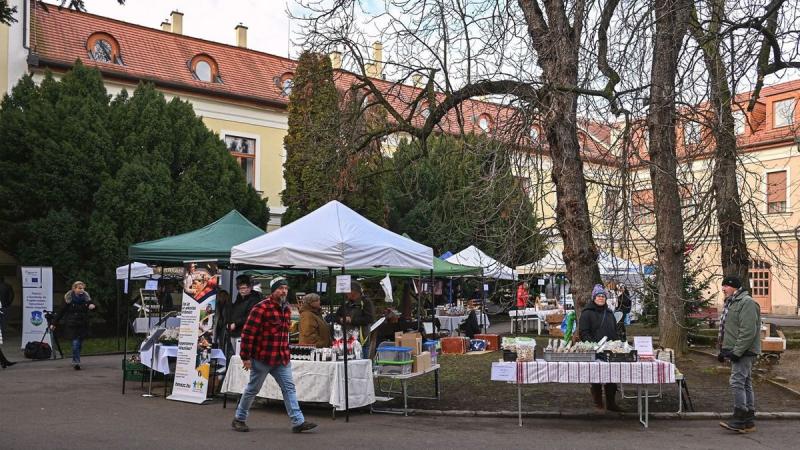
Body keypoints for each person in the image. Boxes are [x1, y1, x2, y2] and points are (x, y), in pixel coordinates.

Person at [232, 278, 317, 434]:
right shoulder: (261, 308)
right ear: (273, 290)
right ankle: (239, 418)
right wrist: (245, 357)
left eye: (286, 288)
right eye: (280, 288)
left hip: (281, 358)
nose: (284, 291)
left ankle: (298, 421)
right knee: (252, 389)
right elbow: (248, 334)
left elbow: (284, 335)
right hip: (262, 358)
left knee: (289, 388)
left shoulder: (286, 309)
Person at [717, 276, 761, 433]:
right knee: (745, 383)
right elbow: (728, 330)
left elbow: (748, 331)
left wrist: (736, 352)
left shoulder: (747, 302)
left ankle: (739, 418)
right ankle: (748, 420)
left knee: (737, 382)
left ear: (734, 287)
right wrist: (723, 350)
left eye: (726, 286)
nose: (723, 289)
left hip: (745, 351)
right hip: (737, 349)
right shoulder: (731, 302)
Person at [578, 284, 621, 412]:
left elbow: (614, 330)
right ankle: (598, 403)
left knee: (612, 377)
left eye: (603, 296)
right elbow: (584, 333)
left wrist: (616, 344)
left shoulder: (609, 313)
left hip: (610, 351)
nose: (601, 298)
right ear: (594, 298)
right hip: (595, 351)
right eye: (598, 296)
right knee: (596, 377)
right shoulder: (587, 313)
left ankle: (611, 403)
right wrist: (595, 346)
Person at [51, 281, 96, 370]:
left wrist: (92, 306)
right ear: (74, 289)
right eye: (79, 288)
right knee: (75, 343)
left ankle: (75, 358)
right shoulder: (68, 299)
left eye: (83, 288)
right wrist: (54, 323)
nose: (82, 290)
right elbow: (61, 311)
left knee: (79, 344)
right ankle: (76, 362)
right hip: (72, 324)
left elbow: (93, 307)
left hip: (83, 324)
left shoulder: (86, 298)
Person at [335, 281, 375, 358]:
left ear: (355, 292)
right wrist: (340, 319)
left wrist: (352, 320)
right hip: (347, 339)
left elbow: (369, 319)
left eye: (348, 292)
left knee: (362, 362)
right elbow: (336, 316)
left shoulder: (366, 302)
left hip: (361, 339)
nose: (347, 295)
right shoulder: (346, 304)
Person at [225, 275, 262, 353]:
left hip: (245, 334)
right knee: (236, 356)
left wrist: (235, 323)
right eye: (239, 288)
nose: (242, 291)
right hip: (235, 332)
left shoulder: (255, 299)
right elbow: (235, 311)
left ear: (250, 287)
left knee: (242, 357)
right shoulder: (240, 297)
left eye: (244, 288)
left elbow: (250, 316)